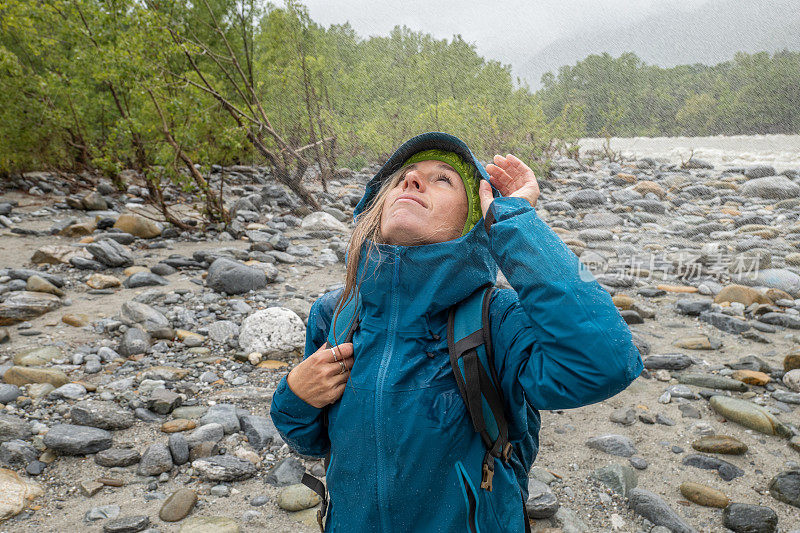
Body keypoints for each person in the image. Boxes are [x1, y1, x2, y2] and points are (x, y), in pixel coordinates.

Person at [270, 131, 644, 532]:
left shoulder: (496, 320)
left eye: (442, 179)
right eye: (405, 177)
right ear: (376, 208)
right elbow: (312, 442)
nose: (412, 182)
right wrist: (294, 396)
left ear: (471, 221)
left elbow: (606, 363)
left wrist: (516, 222)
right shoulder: (336, 312)